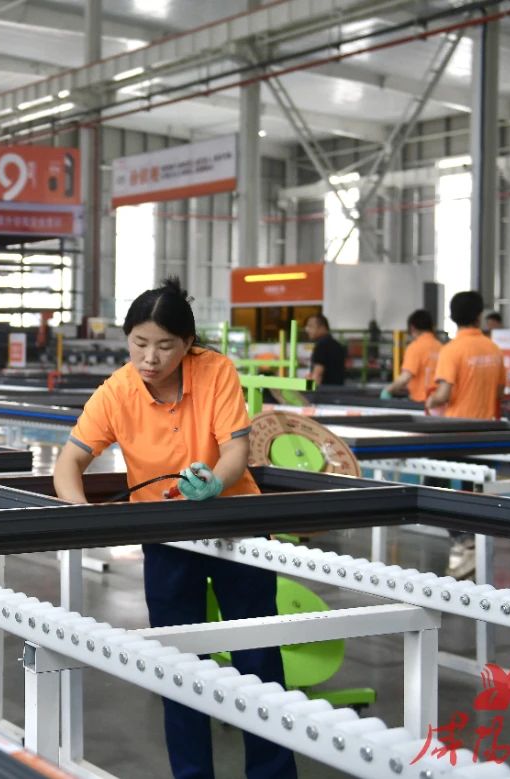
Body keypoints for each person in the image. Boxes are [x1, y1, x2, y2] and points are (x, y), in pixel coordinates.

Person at [54, 278, 297, 779]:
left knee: (258, 660)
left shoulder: (215, 371)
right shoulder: (116, 392)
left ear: (188, 344)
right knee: (179, 666)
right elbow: (68, 463)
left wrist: (216, 482)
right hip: (165, 537)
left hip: (237, 527)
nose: (150, 358)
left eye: (165, 345)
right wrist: (80, 515)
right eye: (139, 343)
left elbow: (236, 450)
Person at [428, 291, 505, 579]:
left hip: (455, 432)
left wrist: (431, 401)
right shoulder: (493, 349)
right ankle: (470, 542)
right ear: (479, 315)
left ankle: (463, 539)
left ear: (452, 317)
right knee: (473, 489)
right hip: (486, 432)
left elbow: (444, 393)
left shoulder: (452, 350)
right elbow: (500, 392)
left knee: (432, 487)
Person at [380, 309, 442, 402]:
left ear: (412, 328)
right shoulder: (441, 347)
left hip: (421, 402)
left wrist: (388, 390)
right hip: (440, 402)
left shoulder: (415, 347)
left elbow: (405, 377)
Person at [304, 313, 346, 386]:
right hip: (337, 389)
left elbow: (317, 376)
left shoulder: (321, 346)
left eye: (311, 326)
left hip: (323, 390)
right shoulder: (337, 345)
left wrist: (309, 385)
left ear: (322, 327)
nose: (307, 330)